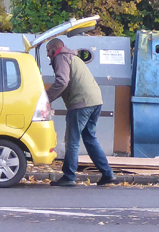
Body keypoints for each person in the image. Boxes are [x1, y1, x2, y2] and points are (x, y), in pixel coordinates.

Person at [46, 37, 115, 186]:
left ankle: (69, 176)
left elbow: (62, 81)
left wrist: (46, 98)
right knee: (90, 138)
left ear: (54, 48)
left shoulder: (60, 57)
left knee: (72, 140)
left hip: (81, 103)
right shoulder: (73, 57)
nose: (47, 55)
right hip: (96, 101)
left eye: (47, 51)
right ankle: (107, 173)